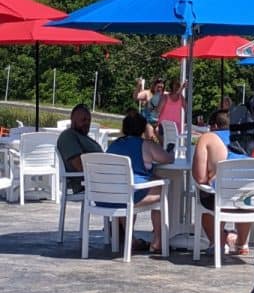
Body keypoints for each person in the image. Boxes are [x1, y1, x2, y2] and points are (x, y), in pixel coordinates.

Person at [107, 111, 175, 254]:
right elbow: (167, 159)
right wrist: (170, 151)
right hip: (131, 195)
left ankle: (130, 239)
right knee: (162, 190)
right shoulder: (146, 145)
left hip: (110, 196)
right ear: (143, 128)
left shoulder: (113, 146)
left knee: (132, 188)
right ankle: (158, 241)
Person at [192, 109, 251, 256]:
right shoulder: (250, 138)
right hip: (249, 198)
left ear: (215, 126)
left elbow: (200, 178)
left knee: (206, 198)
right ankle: (241, 243)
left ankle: (217, 242)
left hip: (219, 199)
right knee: (244, 196)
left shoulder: (208, 138)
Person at [57, 104, 103, 190]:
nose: (87, 123)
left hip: (99, 179)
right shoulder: (68, 136)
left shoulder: (84, 137)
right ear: (73, 120)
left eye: (89, 120)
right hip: (86, 182)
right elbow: (80, 166)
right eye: (83, 120)